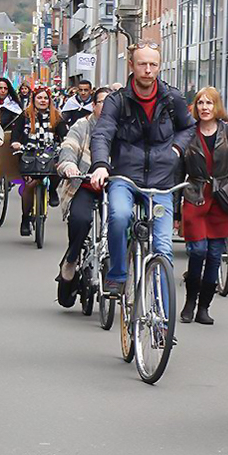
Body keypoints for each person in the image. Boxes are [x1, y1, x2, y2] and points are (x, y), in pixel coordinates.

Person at [90, 40, 195, 297]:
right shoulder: (117, 101)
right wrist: (102, 165)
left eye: (153, 64)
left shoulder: (173, 98)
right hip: (124, 176)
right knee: (119, 215)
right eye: (142, 64)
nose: (148, 69)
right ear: (132, 65)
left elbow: (189, 127)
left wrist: (177, 149)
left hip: (161, 181)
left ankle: (161, 324)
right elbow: (102, 133)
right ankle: (116, 274)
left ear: (159, 67)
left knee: (163, 248)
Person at [180, 87, 228, 324]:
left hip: (221, 198)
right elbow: (178, 170)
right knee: (197, 250)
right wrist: (174, 205)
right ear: (195, 107)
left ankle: (203, 308)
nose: (205, 107)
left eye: (209, 103)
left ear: (217, 106)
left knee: (213, 255)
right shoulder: (188, 132)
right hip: (195, 196)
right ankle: (189, 301)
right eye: (200, 103)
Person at [55, 87, 113, 306]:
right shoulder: (83, 125)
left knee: (125, 223)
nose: (106, 108)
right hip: (85, 185)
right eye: (102, 103)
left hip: (115, 188)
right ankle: (71, 258)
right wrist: (69, 164)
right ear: (94, 105)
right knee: (80, 219)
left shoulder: (124, 127)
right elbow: (69, 146)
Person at [11, 86, 69, 235]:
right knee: (30, 185)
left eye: (45, 98)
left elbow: (65, 135)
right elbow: (15, 135)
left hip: (49, 153)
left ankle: (53, 190)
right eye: (39, 98)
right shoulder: (24, 116)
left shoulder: (57, 116)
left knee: (58, 168)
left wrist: (65, 144)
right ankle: (25, 218)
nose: (42, 101)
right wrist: (16, 143)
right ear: (33, 99)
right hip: (29, 154)